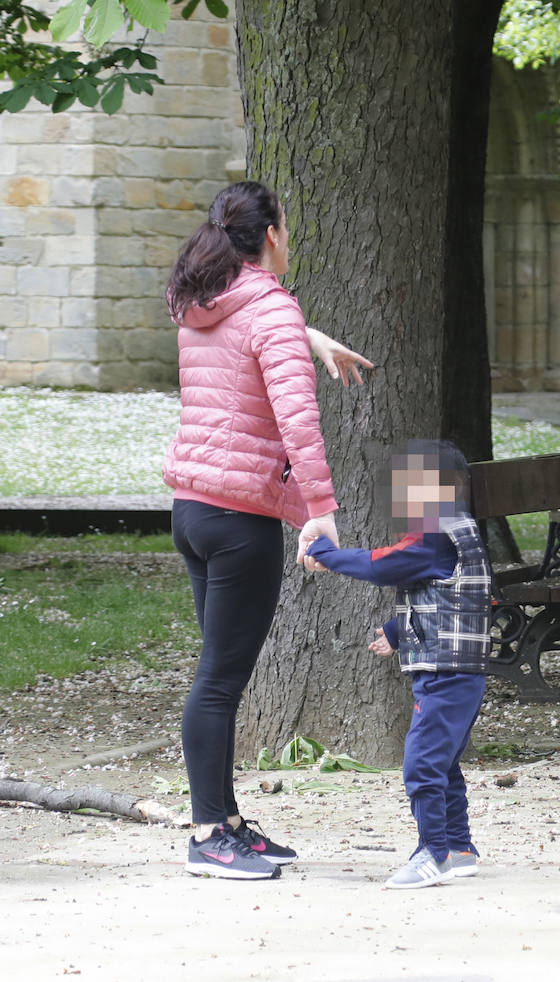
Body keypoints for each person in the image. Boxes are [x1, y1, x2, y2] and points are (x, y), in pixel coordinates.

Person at [165, 180, 374, 879]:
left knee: (218, 677)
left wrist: (307, 334)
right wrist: (321, 510)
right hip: (238, 521)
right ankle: (206, 837)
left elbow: (244, 332)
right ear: (273, 236)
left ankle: (224, 822)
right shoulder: (270, 312)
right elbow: (299, 423)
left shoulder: (199, 301)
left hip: (193, 511)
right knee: (220, 682)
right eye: (286, 224)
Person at [303, 440, 492, 890]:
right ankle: (460, 848)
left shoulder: (435, 532)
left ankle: (433, 853)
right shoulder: (457, 529)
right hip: (458, 670)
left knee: (422, 763)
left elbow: (382, 566)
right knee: (443, 763)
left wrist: (326, 554)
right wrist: (395, 630)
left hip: (447, 673)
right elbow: (448, 595)